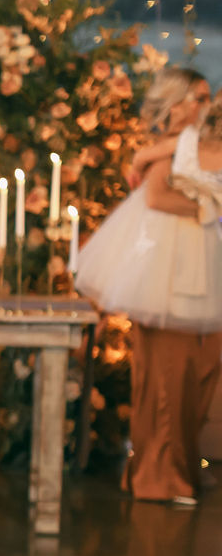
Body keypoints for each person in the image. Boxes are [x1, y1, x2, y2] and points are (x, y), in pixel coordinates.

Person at [77, 70, 222, 505]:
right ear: (175, 104)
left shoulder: (191, 145)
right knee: (167, 377)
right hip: (167, 272)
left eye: (206, 98)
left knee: (198, 372)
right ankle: (161, 477)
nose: (205, 105)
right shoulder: (172, 151)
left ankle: (179, 466)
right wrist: (208, 210)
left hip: (203, 267)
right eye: (197, 98)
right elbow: (157, 198)